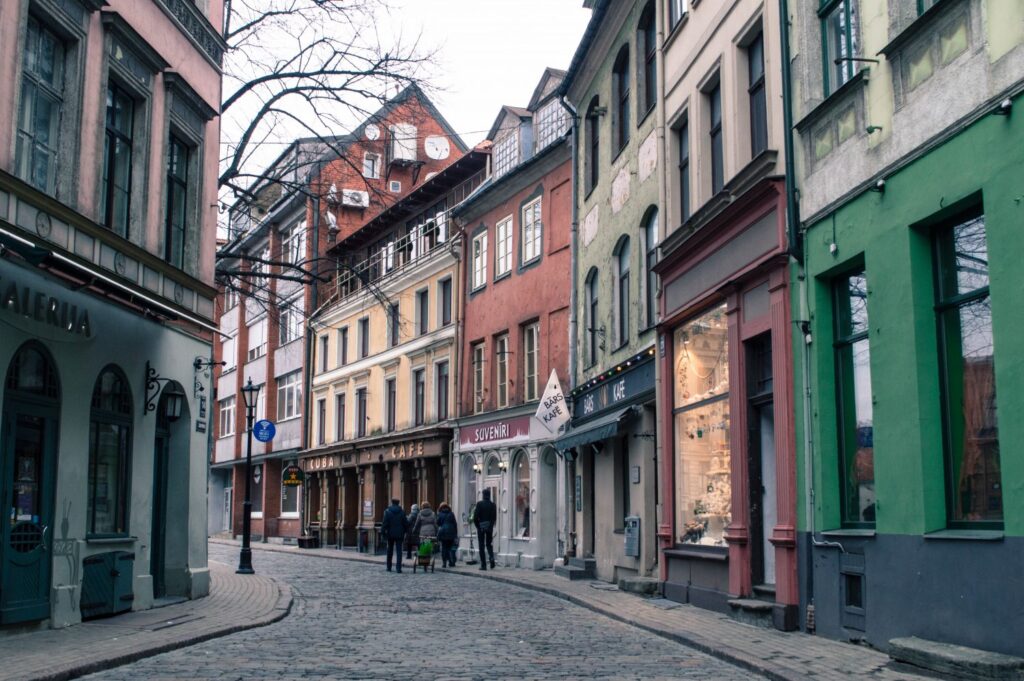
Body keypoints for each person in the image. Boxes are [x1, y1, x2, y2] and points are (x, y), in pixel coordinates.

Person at [381, 498, 409, 573]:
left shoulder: (387, 511)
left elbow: (385, 524)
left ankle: (389, 567)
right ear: (398, 503)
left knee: (389, 550)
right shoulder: (402, 512)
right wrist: (406, 531)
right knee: (399, 551)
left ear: (391, 503)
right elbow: (406, 524)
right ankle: (398, 568)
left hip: (390, 534)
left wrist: (383, 532)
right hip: (400, 534)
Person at [473, 489, 497, 570]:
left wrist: (478, 526)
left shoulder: (479, 504)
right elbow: (494, 517)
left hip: (481, 527)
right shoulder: (493, 505)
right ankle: (491, 557)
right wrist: (490, 525)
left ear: (483, 495)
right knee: (489, 544)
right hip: (489, 527)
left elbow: (475, 517)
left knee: (481, 545)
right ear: (489, 495)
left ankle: (483, 565)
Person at [436, 502, 458, 568]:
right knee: (450, 548)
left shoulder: (440, 514)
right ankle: (451, 562)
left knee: (444, 548)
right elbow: (455, 524)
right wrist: (455, 534)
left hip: (443, 532)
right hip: (451, 532)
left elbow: (438, 523)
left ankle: (444, 563)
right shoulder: (451, 514)